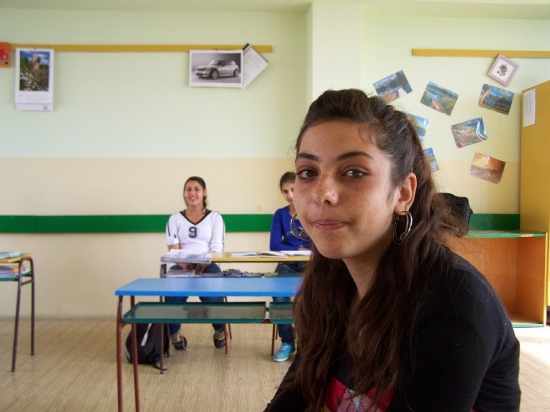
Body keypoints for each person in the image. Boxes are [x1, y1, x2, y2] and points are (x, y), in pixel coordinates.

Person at [265, 89, 520, 411]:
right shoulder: (332, 278)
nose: (321, 193)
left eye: (354, 172)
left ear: (403, 193)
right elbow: (295, 392)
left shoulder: (453, 301)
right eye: (308, 172)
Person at [165, 176, 226, 349]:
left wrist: (202, 265)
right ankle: (174, 334)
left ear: (204, 192)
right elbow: (173, 249)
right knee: (172, 294)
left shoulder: (215, 218)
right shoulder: (175, 219)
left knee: (213, 296)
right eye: (188, 189)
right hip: (182, 265)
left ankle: (220, 330)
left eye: (197, 189)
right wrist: (186, 265)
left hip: (208, 264)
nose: (192, 193)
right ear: (184, 193)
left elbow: (216, 249)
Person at [269, 172, 310, 362]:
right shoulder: (280, 214)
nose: (290, 195)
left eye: (293, 189)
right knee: (279, 295)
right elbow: (274, 245)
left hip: (310, 264)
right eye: (285, 191)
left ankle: (307, 344)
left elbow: (319, 243)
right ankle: (287, 341)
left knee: (309, 298)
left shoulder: (312, 210)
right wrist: (299, 249)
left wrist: (295, 248)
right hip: (287, 264)